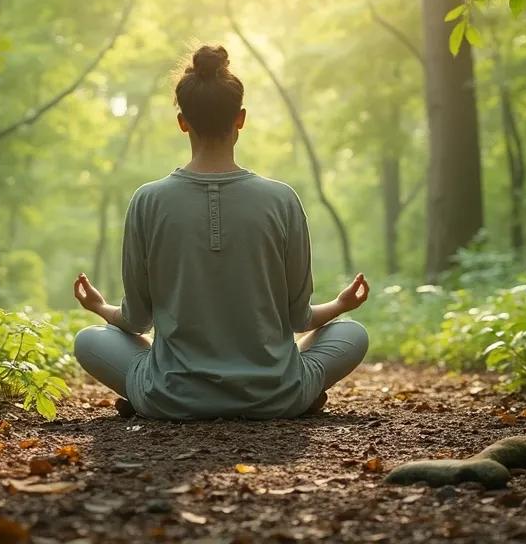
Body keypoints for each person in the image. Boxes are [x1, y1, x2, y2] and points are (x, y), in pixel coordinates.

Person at [70, 45, 370, 420]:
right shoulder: (282, 200)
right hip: (276, 395)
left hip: (171, 397)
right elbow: (299, 320)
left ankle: (156, 392)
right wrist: (341, 305)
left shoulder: (147, 200)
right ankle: (296, 393)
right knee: (352, 333)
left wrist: (99, 307)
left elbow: (136, 322)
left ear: (182, 122)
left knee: (89, 340)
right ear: (240, 119)